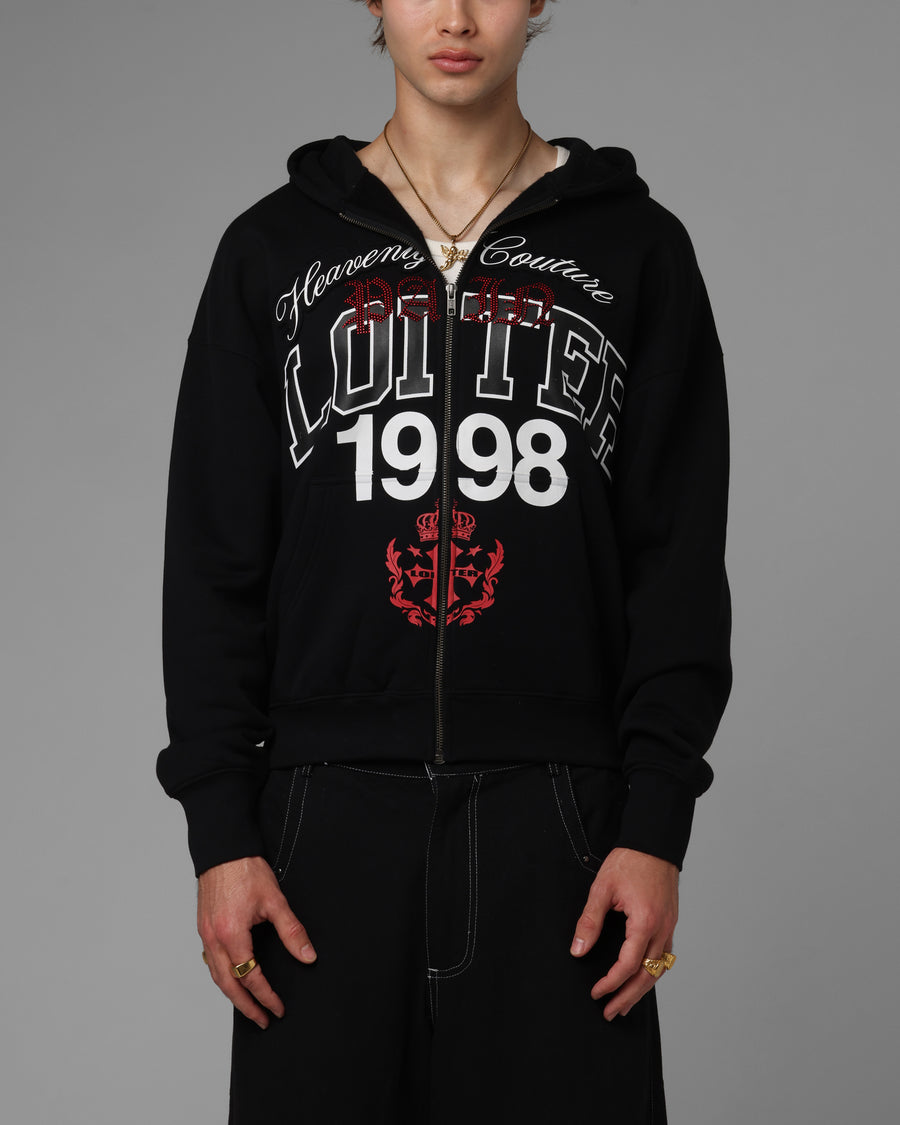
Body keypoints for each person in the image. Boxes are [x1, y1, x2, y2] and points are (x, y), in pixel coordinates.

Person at [157, 2, 732, 1122]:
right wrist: (221, 836)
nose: (457, 16)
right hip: (321, 827)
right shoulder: (273, 249)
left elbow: (675, 561)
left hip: (560, 826)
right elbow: (214, 561)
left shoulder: (637, 248)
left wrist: (654, 824)